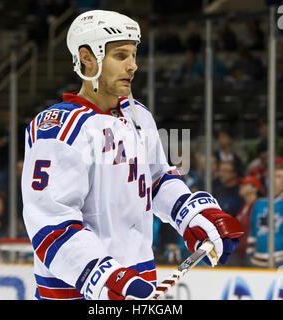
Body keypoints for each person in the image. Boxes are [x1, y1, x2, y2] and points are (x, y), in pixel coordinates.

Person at [21, 10, 243, 301]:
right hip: (82, 293)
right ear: (87, 58)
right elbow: (50, 222)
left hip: (136, 284)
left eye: (134, 55)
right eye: (120, 56)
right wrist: (104, 277)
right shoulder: (59, 129)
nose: (133, 66)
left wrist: (191, 214)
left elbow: (156, 179)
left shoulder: (137, 115)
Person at [231, 175, 263, 266]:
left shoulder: (259, 206)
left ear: (255, 188)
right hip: (239, 253)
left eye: (245, 184)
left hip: (250, 255)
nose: (241, 186)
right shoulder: (244, 206)